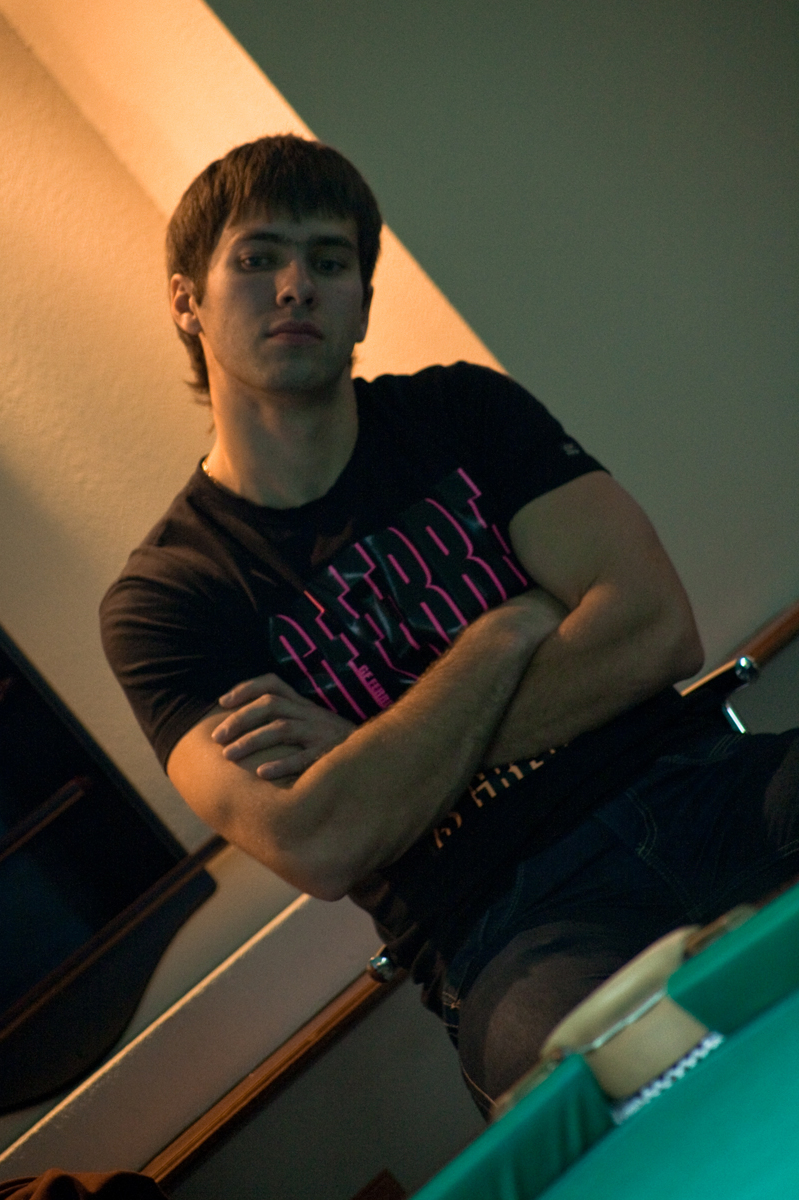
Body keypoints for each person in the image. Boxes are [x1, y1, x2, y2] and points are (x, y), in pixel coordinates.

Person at [101, 134, 799, 1116]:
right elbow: (323, 840)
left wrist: (373, 755)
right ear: (187, 300)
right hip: (509, 927)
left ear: (361, 304)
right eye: (257, 258)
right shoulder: (167, 600)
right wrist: (506, 631)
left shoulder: (462, 412)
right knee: (590, 1100)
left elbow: (652, 629)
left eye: (329, 261)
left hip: (697, 784)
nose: (296, 285)